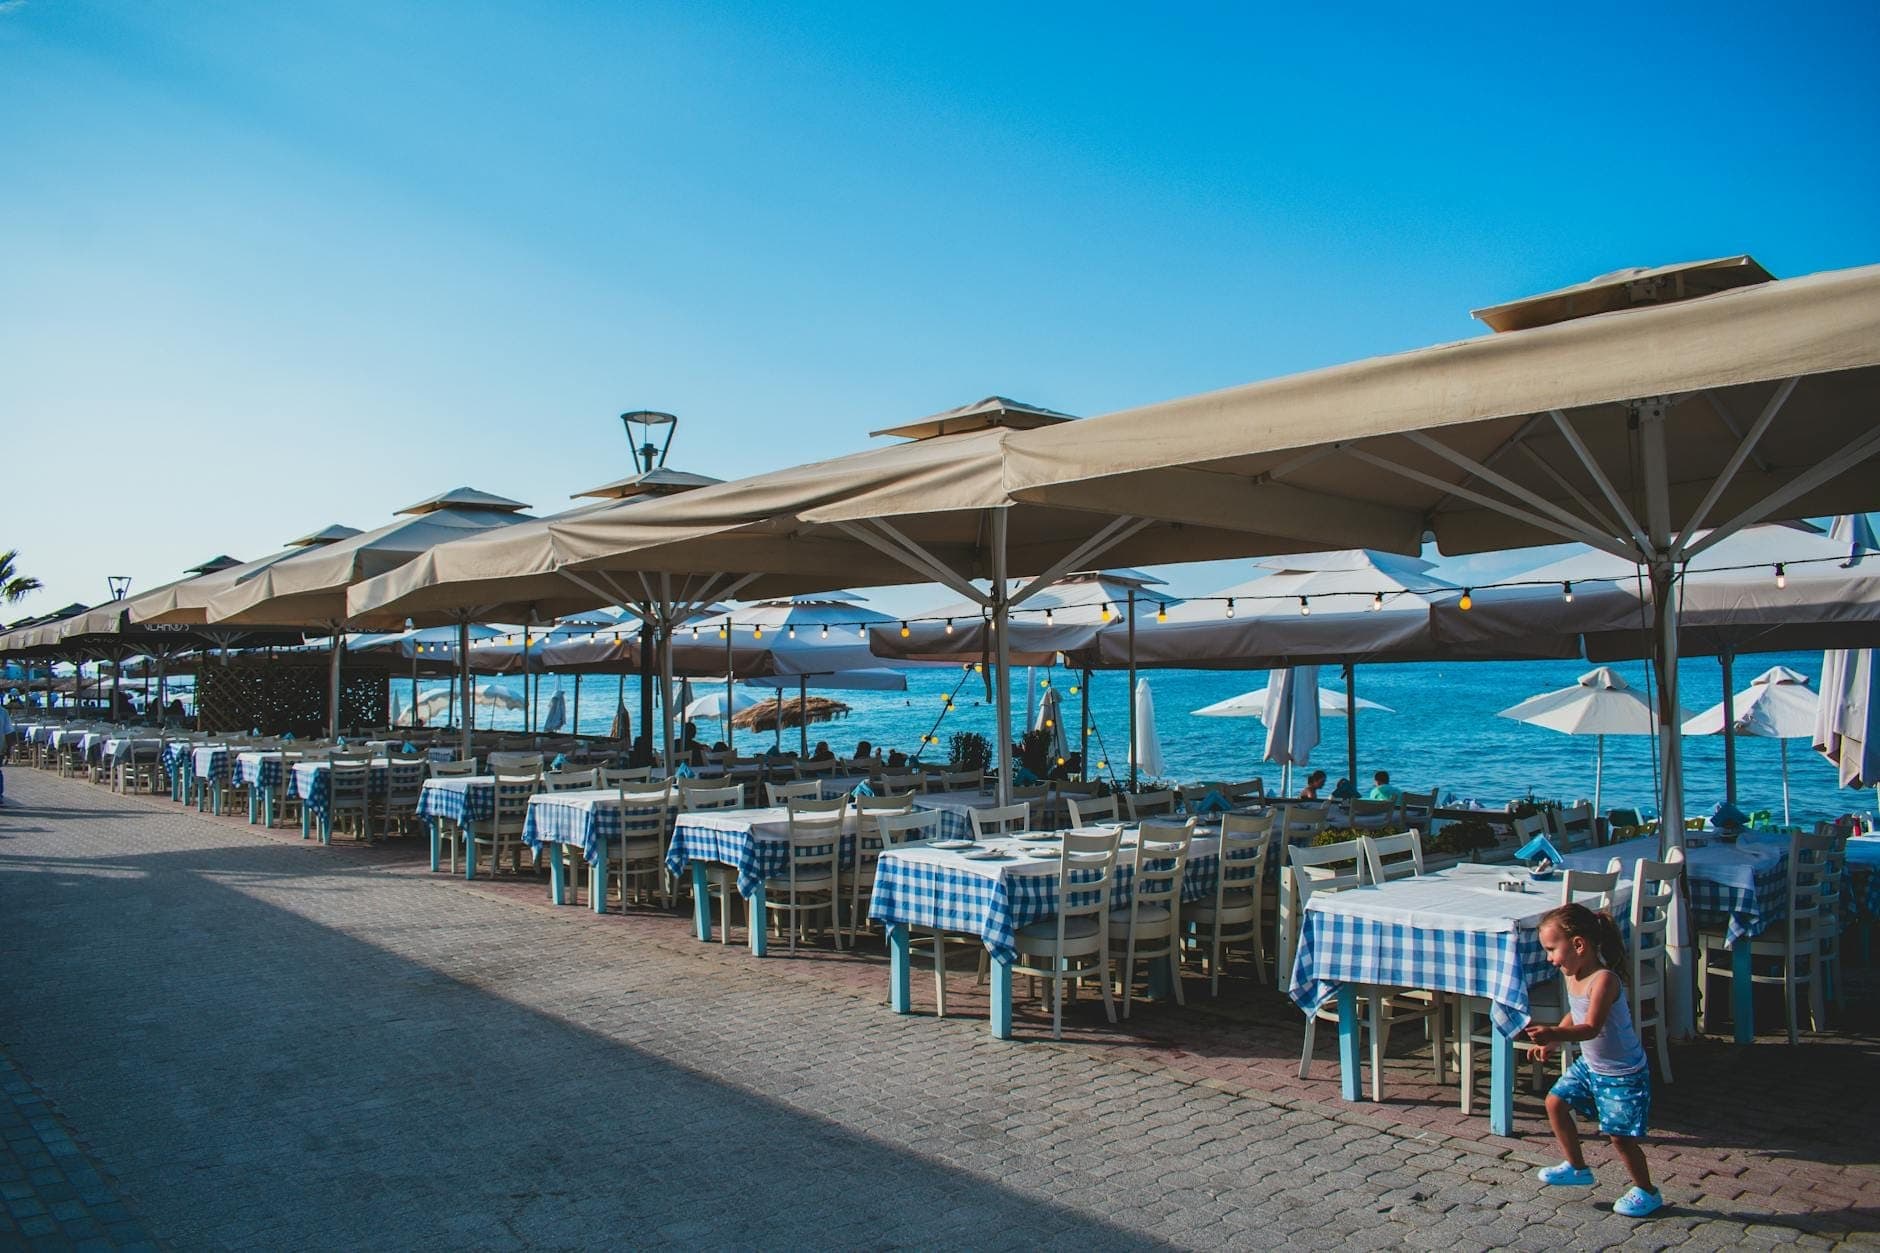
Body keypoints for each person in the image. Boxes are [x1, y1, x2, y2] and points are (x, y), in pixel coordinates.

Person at [1524, 903, 1662, 1219]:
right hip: (1592, 1065)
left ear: (1578, 944)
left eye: (1551, 949)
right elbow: (1577, 1012)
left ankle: (1647, 1191)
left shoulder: (1604, 980)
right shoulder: (1573, 975)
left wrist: (1553, 1031)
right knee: (1555, 1103)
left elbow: (1591, 1027)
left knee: (1620, 1138)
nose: (1549, 958)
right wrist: (1557, 1039)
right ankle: (1576, 1166)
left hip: (1622, 1073)